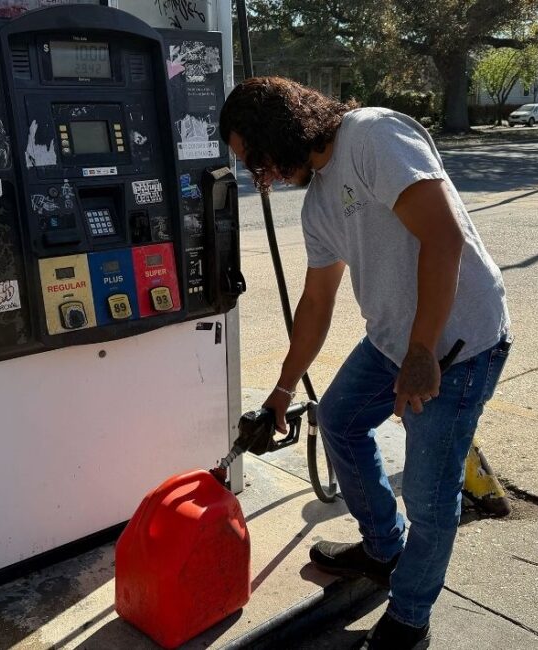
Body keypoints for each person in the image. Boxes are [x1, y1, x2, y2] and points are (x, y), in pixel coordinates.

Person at [219, 77, 511, 649]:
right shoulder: (317, 205)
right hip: (394, 342)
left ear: (281, 129)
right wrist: (280, 392)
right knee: (340, 418)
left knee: (430, 496)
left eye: (256, 157)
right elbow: (316, 302)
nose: (263, 175)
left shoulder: (373, 136)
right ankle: (384, 547)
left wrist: (424, 351)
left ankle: (409, 619)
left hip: (458, 344)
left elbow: (443, 239)